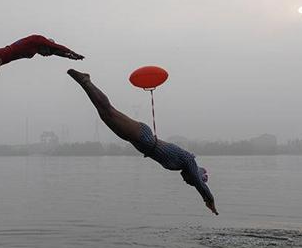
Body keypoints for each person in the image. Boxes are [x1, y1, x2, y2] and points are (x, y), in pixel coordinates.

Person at [67, 69, 218, 215]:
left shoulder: (181, 165)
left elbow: (197, 181)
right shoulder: (188, 160)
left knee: (105, 115)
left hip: (139, 142)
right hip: (143, 136)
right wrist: (209, 200)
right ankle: (85, 80)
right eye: (189, 181)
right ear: (194, 175)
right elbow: (200, 184)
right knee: (108, 112)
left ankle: (85, 82)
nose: (186, 181)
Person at [0, 35, 84, 110]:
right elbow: (56, 47)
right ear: (45, 45)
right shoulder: (38, 39)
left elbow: (56, 51)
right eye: (47, 52)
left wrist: (70, 57)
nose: (46, 55)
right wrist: (73, 52)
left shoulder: (36, 48)